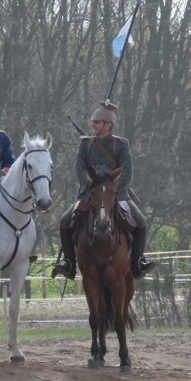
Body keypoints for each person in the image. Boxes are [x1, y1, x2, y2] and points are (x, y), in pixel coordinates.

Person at [53, 100, 156, 279]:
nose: (93, 125)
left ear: (108, 125)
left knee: (140, 220)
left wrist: (111, 189)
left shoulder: (121, 145)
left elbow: (127, 172)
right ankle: (69, 263)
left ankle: (139, 261)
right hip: (89, 193)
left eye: (97, 122)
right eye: (93, 122)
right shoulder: (85, 144)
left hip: (117, 194)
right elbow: (80, 169)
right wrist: (91, 184)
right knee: (64, 221)